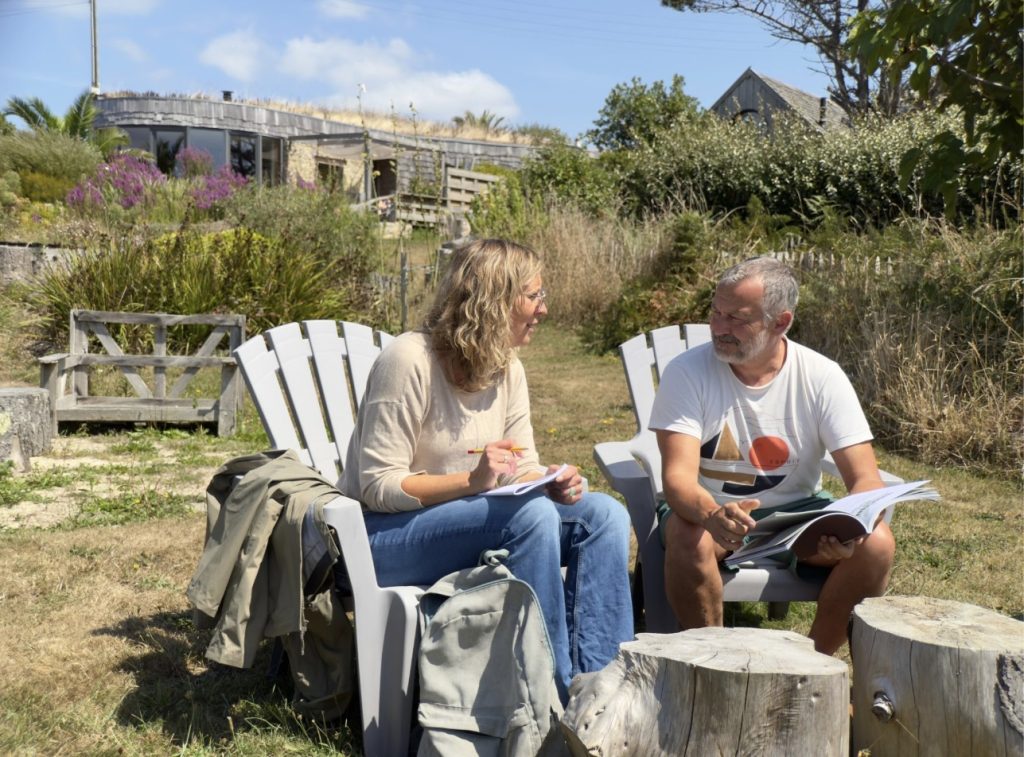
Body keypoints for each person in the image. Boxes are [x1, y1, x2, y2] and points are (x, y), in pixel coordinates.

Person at [340, 237, 633, 699]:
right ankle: (549, 694)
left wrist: (550, 482)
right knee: (531, 518)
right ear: (494, 302)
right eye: (534, 296)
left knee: (603, 516)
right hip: (381, 537)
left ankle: (601, 687)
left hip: (475, 524)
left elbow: (521, 465)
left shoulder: (506, 367)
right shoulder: (408, 361)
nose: (544, 309)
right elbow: (376, 486)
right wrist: (471, 482)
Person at [648, 257, 895, 654]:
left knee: (878, 544)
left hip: (797, 519)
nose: (719, 328)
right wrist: (713, 514)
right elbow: (677, 479)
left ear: (780, 323)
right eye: (716, 312)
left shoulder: (821, 376)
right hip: (714, 511)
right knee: (687, 534)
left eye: (737, 319)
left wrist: (853, 526)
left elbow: (866, 478)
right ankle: (710, 662)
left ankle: (813, 665)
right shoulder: (688, 372)